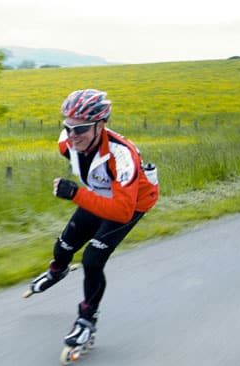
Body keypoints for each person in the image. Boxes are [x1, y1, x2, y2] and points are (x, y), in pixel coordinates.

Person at [29, 89, 159, 348]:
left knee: (92, 260)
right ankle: (58, 270)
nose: (73, 136)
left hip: (131, 204)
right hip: (101, 194)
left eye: (81, 130)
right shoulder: (67, 142)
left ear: (100, 125)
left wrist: (76, 194)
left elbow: (121, 211)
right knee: (64, 244)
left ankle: (87, 321)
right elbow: (73, 145)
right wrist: (83, 195)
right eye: (68, 128)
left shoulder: (122, 157)